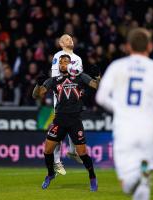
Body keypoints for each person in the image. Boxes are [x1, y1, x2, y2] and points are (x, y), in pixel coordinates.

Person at [96, 28, 153, 200]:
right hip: (149, 129)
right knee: (144, 185)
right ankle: (143, 173)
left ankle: (137, 177)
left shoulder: (117, 66)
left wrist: (120, 108)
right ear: (150, 46)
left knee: (128, 186)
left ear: (127, 47)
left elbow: (101, 98)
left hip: (125, 129)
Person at [33, 54, 100, 191]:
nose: (63, 64)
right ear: (59, 66)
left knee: (82, 153)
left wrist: (98, 76)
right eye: (61, 62)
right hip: (59, 120)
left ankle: (92, 177)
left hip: (75, 120)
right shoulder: (54, 80)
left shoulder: (80, 77)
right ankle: (51, 174)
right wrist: (38, 84)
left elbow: (96, 86)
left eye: (66, 62)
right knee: (47, 150)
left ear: (71, 64)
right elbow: (36, 94)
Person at [51, 34, 83, 175]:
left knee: (73, 123)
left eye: (71, 38)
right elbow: (54, 78)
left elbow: (78, 76)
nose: (70, 39)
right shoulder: (58, 55)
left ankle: (71, 151)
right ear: (60, 42)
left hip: (73, 95)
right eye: (66, 38)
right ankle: (57, 161)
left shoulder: (78, 58)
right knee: (59, 129)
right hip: (60, 97)